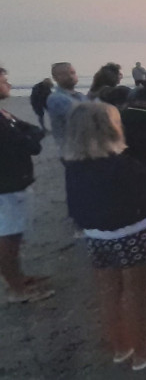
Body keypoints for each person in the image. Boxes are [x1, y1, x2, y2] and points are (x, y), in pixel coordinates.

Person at [63, 102, 146, 370]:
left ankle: (121, 343)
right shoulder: (122, 165)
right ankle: (142, 350)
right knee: (136, 293)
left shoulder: (75, 165)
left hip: (95, 235)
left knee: (108, 291)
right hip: (131, 233)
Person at [0, 67, 53, 303]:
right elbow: (31, 144)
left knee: (13, 237)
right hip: (6, 187)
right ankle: (16, 289)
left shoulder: (3, 113)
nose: (9, 85)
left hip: (14, 183)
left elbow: (31, 132)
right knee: (8, 239)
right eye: (4, 81)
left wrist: (29, 137)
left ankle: (18, 278)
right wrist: (29, 138)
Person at [46, 62, 86, 151]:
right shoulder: (56, 98)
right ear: (55, 78)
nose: (70, 76)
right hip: (71, 149)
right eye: (64, 74)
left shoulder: (80, 96)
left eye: (73, 73)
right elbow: (84, 117)